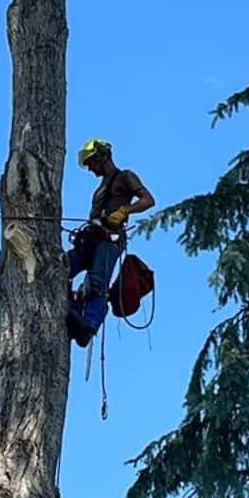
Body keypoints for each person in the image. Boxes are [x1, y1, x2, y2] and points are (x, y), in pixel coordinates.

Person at [69, 138, 154, 348]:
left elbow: (148, 200)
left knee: (97, 284)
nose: (90, 168)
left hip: (110, 240)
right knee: (62, 265)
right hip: (91, 239)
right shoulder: (100, 189)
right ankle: (71, 308)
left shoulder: (125, 177)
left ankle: (88, 326)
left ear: (101, 157)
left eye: (91, 163)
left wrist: (126, 210)